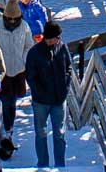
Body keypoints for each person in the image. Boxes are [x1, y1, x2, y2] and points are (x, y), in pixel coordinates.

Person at [25, 20, 71, 168]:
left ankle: (60, 166)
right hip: (41, 101)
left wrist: (65, 88)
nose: (59, 39)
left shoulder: (62, 47)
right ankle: (42, 165)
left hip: (59, 99)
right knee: (41, 133)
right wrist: (40, 92)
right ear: (50, 38)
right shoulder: (34, 53)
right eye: (57, 37)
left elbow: (69, 68)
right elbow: (30, 77)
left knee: (60, 134)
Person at [0, 0, 35, 135]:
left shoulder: (24, 27)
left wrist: (23, 60)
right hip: (1, 72)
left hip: (18, 70)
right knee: (2, 102)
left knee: (12, 103)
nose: (13, 22)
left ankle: (9, 130)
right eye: (10, 19)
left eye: (15, 19)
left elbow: (29, 45)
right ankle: (1, 131)